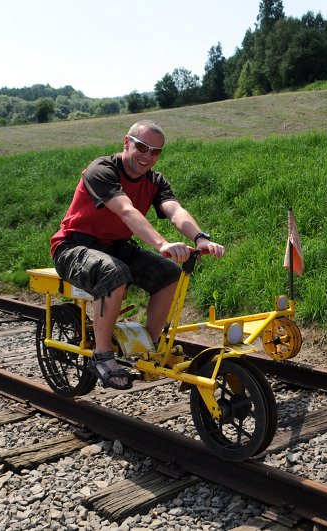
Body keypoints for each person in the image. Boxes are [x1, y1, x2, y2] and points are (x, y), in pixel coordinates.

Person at [50, 120, 225, 390]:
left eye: (156, 151)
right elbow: (126, 211)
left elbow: (175, 211)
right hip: (73, 247)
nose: (148, 156)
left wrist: (201, 238)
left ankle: (150, 347)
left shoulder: (154, 181)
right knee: (114, 271)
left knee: (169, 274)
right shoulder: (102, 170)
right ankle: (103, 355)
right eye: (142, 147)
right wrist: (162, 244)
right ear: (126, 142)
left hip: (117, 245)